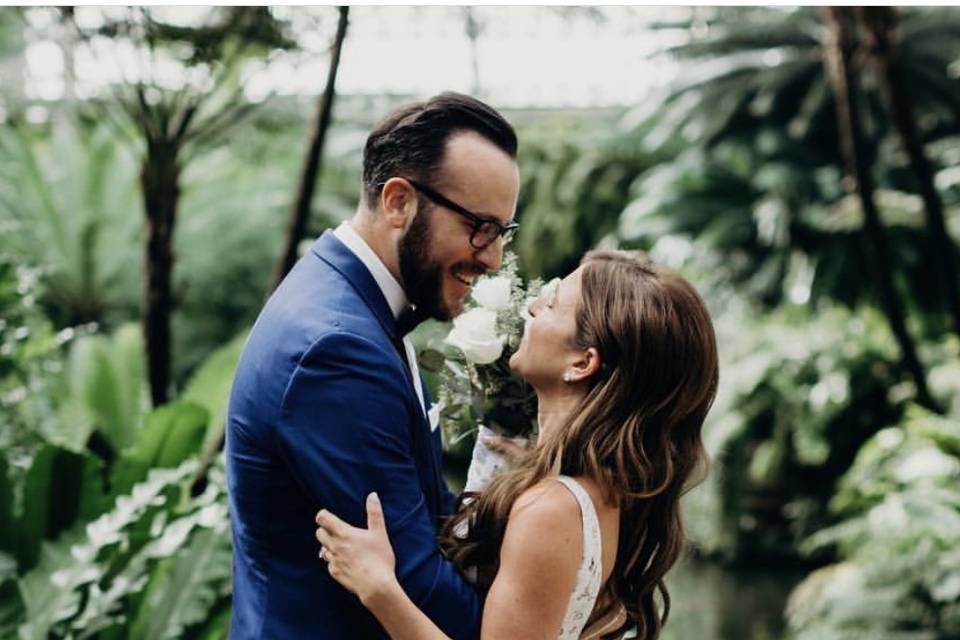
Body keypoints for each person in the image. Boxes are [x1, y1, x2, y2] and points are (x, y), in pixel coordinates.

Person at [225, 93, 520, 639]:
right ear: (399, 201)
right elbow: (415, 581)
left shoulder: (354, 304)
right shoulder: (337, 350)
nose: (493, 256)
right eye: (480, 227)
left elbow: (420, 512)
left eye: (502, 232)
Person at [315, 250, 720, 640]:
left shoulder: (551, 511)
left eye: (552, 305)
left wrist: (378, 588)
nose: (530, 308)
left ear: (582, 363)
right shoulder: (599, 489)